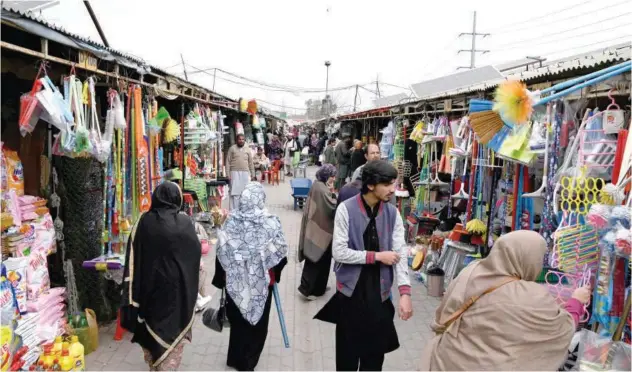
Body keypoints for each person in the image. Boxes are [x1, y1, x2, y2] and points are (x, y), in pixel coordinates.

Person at [420, 230, 590, 371]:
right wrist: (576, 301)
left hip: (446, 361)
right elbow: (561, 330)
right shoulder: (533, 296)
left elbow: (443, 314)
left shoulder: (471, 271)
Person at [315, 160, 413, 371]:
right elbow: (339, 252)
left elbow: (400, 252)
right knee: (347, 360)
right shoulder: (345, 209)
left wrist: (405, 292)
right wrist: (376, 256)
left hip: (380, 295)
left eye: (393, 183)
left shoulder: (392, 213)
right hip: (351, 296)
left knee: (374, 360)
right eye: (387, 184)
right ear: (370, 185)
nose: (392, 189)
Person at [120, 181, 201, 371]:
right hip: (177, 296)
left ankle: (154, 365)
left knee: (151, 336)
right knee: (172, 341)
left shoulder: (144, 222)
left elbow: (133, 255)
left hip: (151, 293)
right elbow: (196, 253)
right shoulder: (185, 223)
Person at [212, 182, 289, 371]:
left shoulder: (231, 221)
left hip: (236, 283)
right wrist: (270, 269)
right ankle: (247, 362)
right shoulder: (270, 222)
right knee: (257, 322)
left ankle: (235, 357)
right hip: (261, 283)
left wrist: (223, 278)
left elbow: (222, 250)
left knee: (237, 320)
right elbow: (280, 253)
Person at [298, 164, 337, 299]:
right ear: (326, 175)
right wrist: (333, 193)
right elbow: (333, 206)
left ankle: (319, 288)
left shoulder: (318, 185)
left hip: (318, 228)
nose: (334, 178)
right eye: (332, 176)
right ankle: (307, 290)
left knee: (323, 259)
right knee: (315, 258)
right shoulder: (322, 189)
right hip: (320, 230)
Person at [226, 134, 255, 210]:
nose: (241, 140)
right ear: (236, 140)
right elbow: (228, 162)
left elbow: (251, 163)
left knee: (245, 192)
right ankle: (234, 211)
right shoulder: (232, 149)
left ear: (244, 140)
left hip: (245, 173)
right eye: (239, 139)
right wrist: (228, 174)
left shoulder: (247, 149)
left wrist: (253, 174)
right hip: (234, 173)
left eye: (243, 139)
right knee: (235, 193)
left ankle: (244, 210)